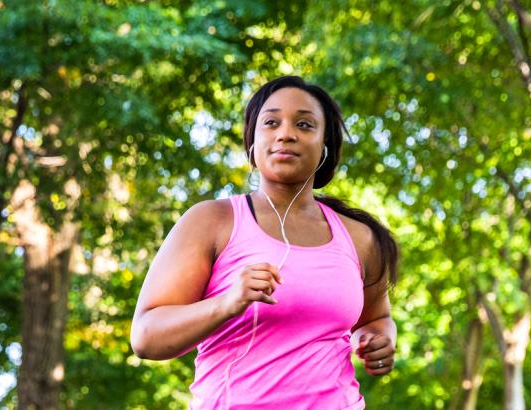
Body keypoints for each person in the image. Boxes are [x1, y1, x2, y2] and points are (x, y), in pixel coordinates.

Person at [130, 76, 400, 409]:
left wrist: (379, 339)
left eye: (304, 124)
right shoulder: (212, 221)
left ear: (324, 144)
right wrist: (228, 303)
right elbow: (146, 337)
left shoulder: (360, 238)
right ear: (252, 143)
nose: (286, 133)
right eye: (271, 122)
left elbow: (375, 319)